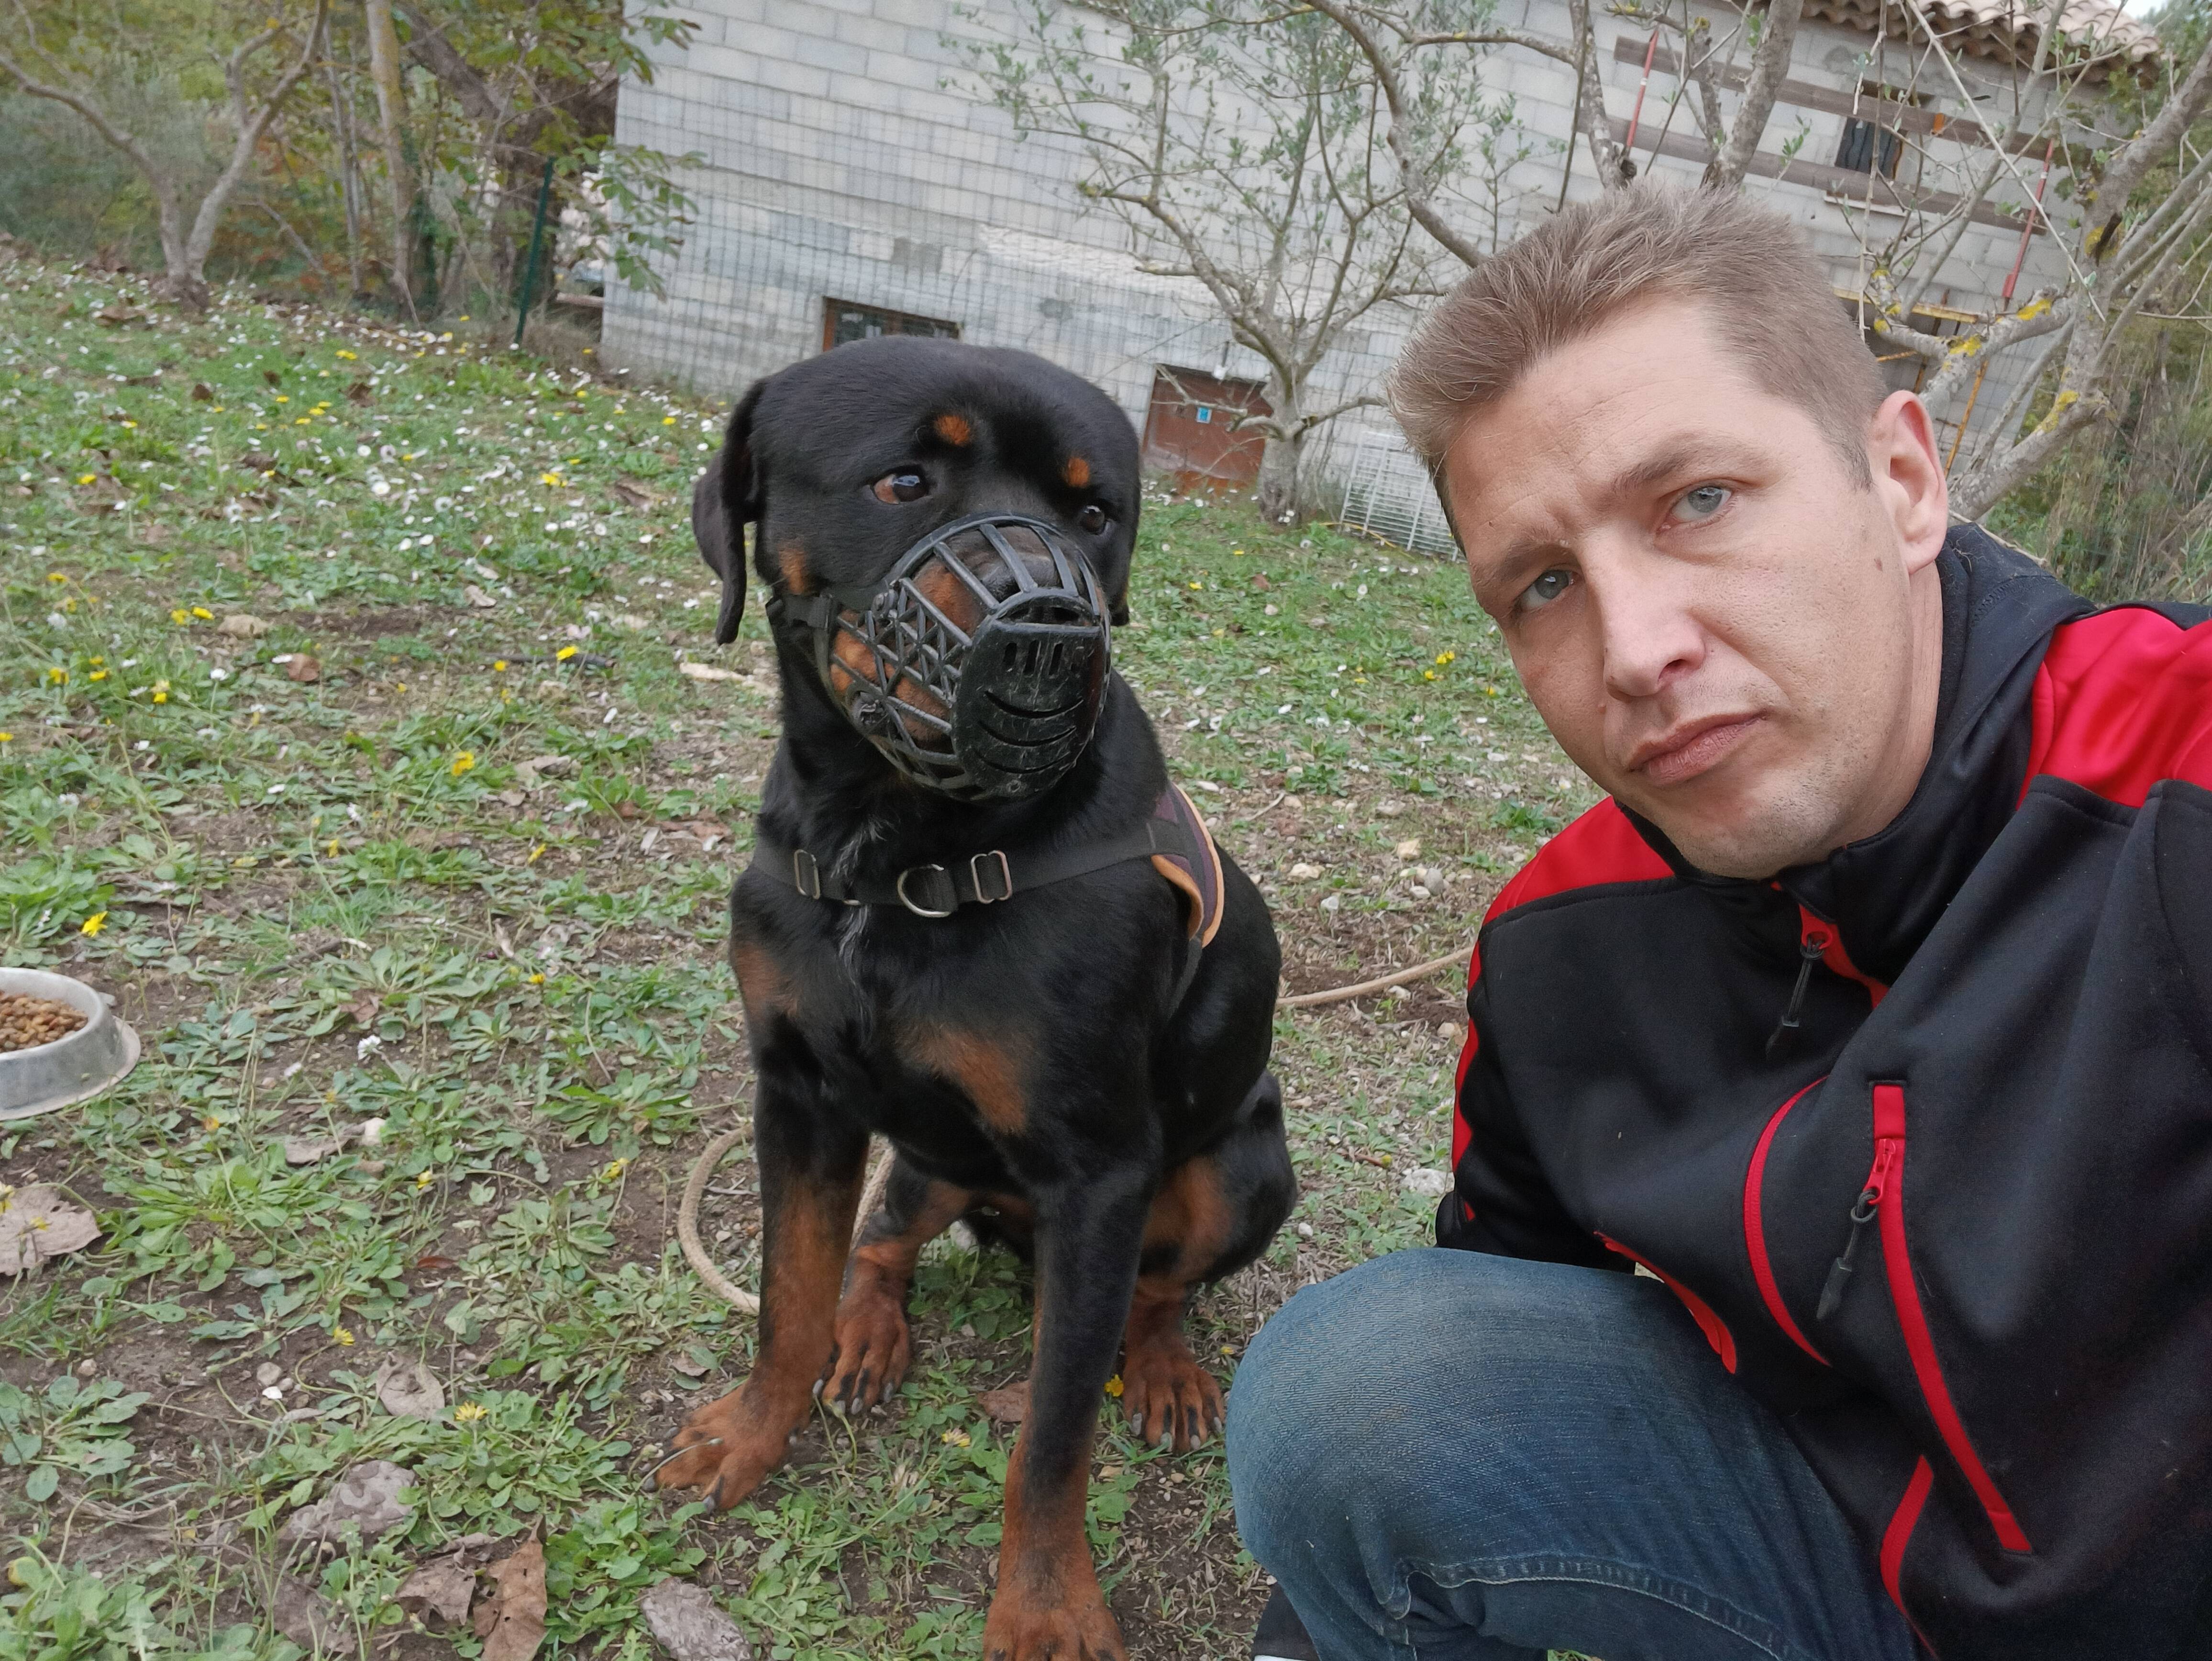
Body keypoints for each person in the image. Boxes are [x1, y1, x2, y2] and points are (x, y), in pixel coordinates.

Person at [1226, 186, 2212, 1661]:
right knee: (1364, 1380)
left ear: (1902, 479)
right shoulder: (1563, 941)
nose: (1636, 651)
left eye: (1698, 501)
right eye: (1544, 585)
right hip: (1847, 1567)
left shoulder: (2163, 779)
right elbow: (1492, 1329)